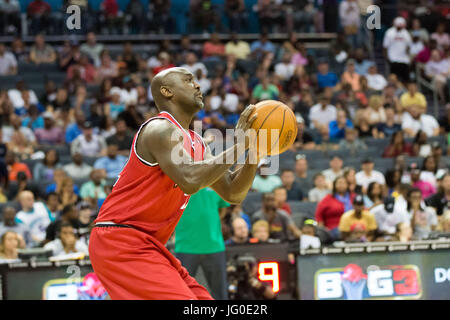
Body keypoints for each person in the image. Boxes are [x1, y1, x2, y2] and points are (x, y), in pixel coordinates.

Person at [89, 67, 259, 300]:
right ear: (167, 91)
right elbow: (190, 180)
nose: (198, 85)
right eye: (188, 80)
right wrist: (240, 142)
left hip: (150, 244)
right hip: (120, 240)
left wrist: (254, 153)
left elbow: (232, 192)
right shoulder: (159, 129)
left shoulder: (197, 141)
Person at [174, 187, 229, 300]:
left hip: (214, 245)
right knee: (182, 293)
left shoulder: (215, 179)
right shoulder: (179, 179)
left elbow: (223, 207)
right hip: (185, 245)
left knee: (220, 293)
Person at [315, 176, 355, 240]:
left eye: (344, 183)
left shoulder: (353, 197)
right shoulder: (328, 198)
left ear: (347, 185)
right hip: (334, 228)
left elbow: (363, 210)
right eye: (339, 183)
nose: (341, 185)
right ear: (334, 185)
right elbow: (319, 214)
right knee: (340, 232)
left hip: (353, 226)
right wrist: (322, 229)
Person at [383, 17, 412, 82]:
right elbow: (385, 47)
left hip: (404, 60)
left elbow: (409, 46)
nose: (400, 28)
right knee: (394, 79)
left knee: (406, 80)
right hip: (393, 59)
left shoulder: (406, 33)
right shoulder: (389, 32)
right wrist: (387, 58)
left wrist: (408, 56)